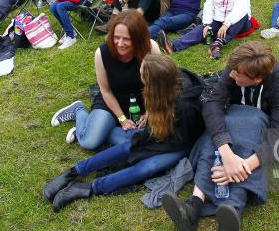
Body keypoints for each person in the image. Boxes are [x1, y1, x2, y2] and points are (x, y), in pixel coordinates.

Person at [44, 54, 205, 212]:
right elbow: (156, 121)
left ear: (156, 85)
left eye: (142, 76)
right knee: (129, 145)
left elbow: (182, 139)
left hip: (182, 143)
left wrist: (146, 148)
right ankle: (74, 172)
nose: (139, 77)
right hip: (165, 130)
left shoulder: (186, 107)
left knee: (148, 166)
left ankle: (89, 187)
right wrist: (146, 133)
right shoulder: (165, 86)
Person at [162, 42, 279, 231]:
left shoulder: (278, 85)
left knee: (247, 145)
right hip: (231, 115)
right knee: (213, 139)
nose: (230, 75)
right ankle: (193, 207)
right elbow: (213, 104)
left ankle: (231, 210)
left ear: (256, 79)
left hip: (258, 121)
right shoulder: (237, 64)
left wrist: (244, 166)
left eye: (236, 75)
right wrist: (225, 151)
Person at [49, 10, 160, 149]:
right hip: (111, 100)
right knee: (89, 142)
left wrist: (150, 111)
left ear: (138, 38)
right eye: (116, 37)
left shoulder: (150, 48)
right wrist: (122, 119)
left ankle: (101, 129)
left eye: (127, 39)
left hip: (142, 102)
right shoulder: (102, 53)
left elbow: (157, 86)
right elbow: (105, 91)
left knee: (151, 138)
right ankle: (78, 110)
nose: (120, 43)